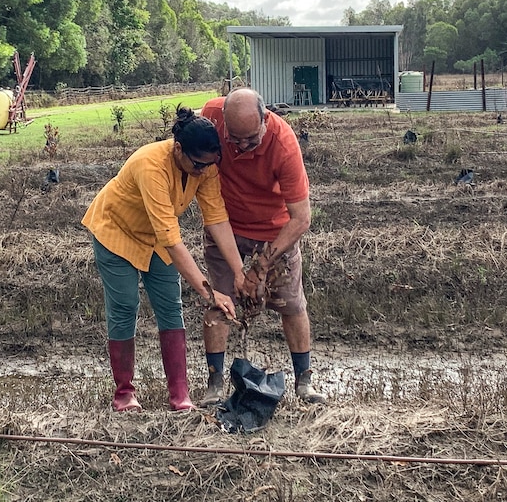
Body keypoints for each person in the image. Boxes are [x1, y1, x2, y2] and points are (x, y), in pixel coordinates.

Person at [82, 107, 245, 412]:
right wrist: (209, 293)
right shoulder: (151, 165)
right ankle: (124, 394)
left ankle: (180, 396)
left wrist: (239, 273)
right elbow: (172, 239)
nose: (203, 171)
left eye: (209, 165)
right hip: (117, 232)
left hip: (155, 239)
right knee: (125, 305)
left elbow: (217, 218)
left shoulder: (206, 166)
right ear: (178, 148)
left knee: (171, 307)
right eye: (198, 164)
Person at [199, 88, 326, 405]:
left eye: (250, 139)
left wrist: (260, 267)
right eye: (234, 139)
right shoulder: (211, 116)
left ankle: (304, 383)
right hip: (223, 225)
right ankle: (215, 385)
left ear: (266, 120)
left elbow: (301, 219)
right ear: (224, 123)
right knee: (219, 300)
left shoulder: (283, 144)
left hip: (273, 230)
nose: (241, 147)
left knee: (292, 304)